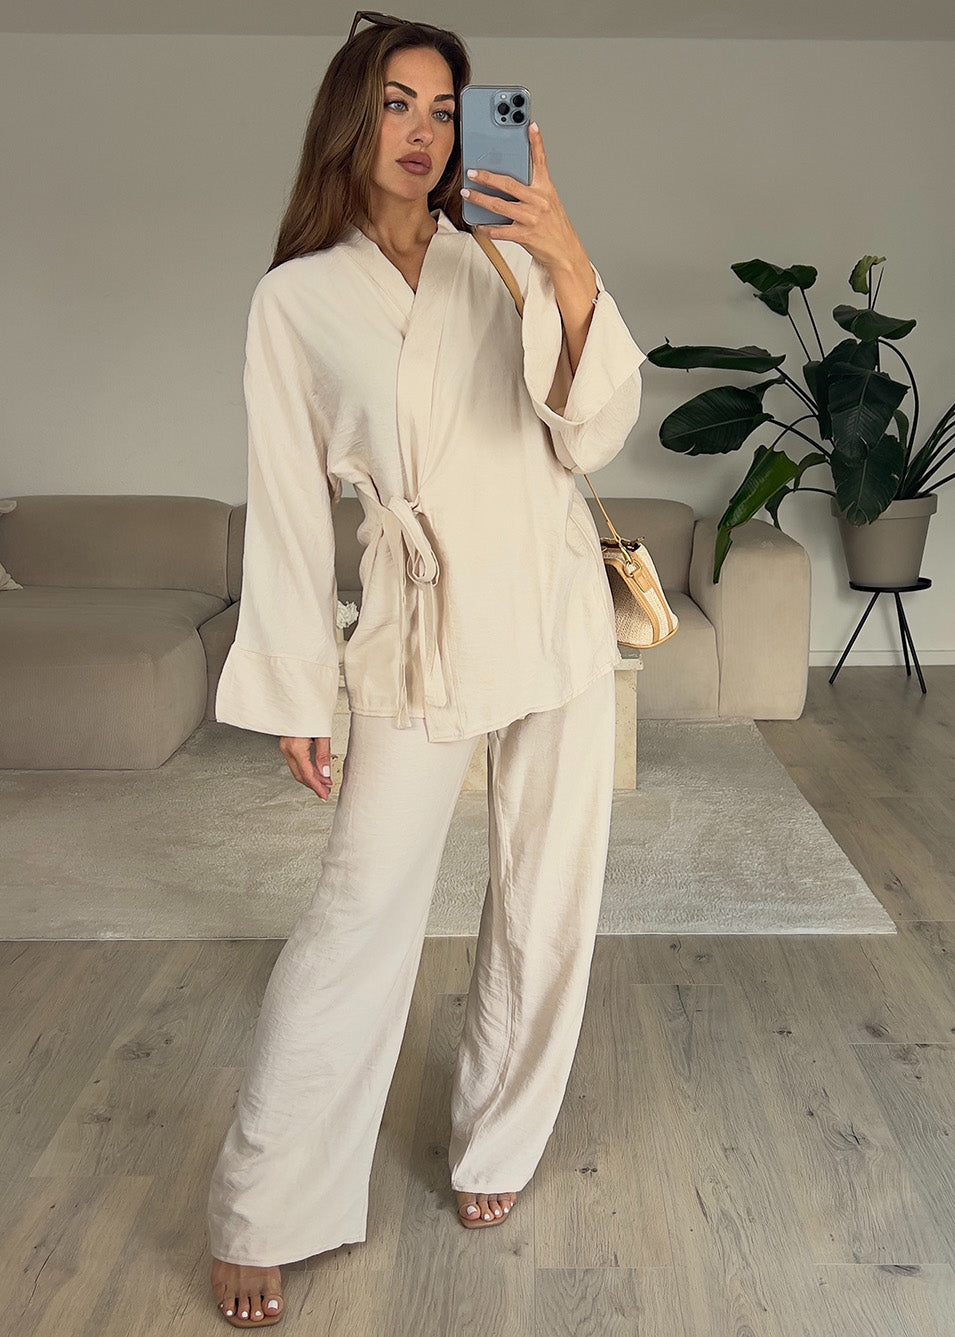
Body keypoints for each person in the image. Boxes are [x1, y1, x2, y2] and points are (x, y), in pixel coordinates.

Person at [208, 10, 647, 1327]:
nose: (424, 130)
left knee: (549, 896)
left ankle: (498, 1140)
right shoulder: (295, 300)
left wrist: (563, 252)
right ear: (353, 117)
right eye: (398, 102)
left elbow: (591, 434)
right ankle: (266, 1201)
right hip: (420, 621)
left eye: (446, 109)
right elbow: (290, 508)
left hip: (553, 609)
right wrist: (299, 686)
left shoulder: (496, 257)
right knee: (359, 912)